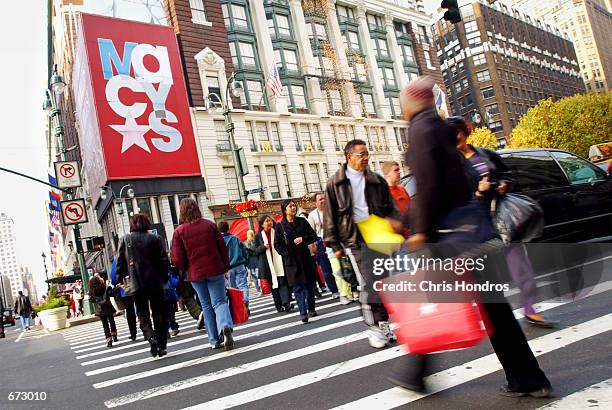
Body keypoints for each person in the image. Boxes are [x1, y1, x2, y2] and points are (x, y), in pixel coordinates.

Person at [389, 76, 552, 398]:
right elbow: (455, 180)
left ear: (410, 102)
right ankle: (529, 378)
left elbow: (428, 183)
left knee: (435, 299)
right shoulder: (439, 127)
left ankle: (416, 371)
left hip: (448, 236)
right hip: (471, 229)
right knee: (492, 307)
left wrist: (419, 229)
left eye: (401, 102)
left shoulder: (420, 130)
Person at [447, 115, 556, 328]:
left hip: (500, 216)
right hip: (475, 223)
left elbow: (508, 175)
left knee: (520, 264)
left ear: (465, 131)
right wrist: (478, 193)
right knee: (484, 273)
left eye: (456, 133)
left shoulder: (486, 154)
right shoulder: (450, 165)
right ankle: (487, 317)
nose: (453, 138)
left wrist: (503, 184)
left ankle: (530, 309)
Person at [323, 139, 400, 348]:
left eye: (367, 154)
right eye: (361, 154)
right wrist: (335, 245)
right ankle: (374, 327)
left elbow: (390, 207)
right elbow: (329, 215)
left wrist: (395, 221)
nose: (366, 158)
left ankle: (383, 323)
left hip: (379, 234)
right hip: (355, 239)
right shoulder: (335, 183)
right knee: (369, 284)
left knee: (384, 282)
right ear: (349, 157)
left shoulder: (376, 180)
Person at [171, 198, 234, 350]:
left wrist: (186, 268)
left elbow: (177, 259)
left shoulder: (179, 231)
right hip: (215, 268)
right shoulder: (210, 225)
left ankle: (214, 340)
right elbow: (222, 249)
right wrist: (225, 267)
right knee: (219, 301)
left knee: (205, 305)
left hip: (195, 273)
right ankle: (225, 325)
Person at [116, 213, 170, 358]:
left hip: (136, 282)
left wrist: (120, 278)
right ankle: (162, 345)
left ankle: (150, 336)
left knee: (142, 313)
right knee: (159, 312)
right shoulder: (155, 238)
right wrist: (164, 277)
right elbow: (164, 260)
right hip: (155, 281)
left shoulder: (126, 239)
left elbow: (120, 261)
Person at [275, 199, 319, 323]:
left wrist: (302, 239)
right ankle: (303, 312)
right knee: (298, 287)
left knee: (309, 285)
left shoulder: (302, 221)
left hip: (305, 257)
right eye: (290, 206)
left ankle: (311, 308)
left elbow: (313, 236)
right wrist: (286, 254)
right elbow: (277, 245)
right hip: (291, 261)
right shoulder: (280, 225)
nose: (293, 208)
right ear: (284, 210)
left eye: (294, 206)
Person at [253, 215, 293, 313]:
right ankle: (278, 305)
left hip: (279, 262)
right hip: (267, 265)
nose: (269, 223)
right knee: (274, 286)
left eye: (270, 221)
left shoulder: (276, 232)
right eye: (267, 221)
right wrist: (263, 247)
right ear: (262, 225)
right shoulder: (258, 236)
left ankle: (286, 303)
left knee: (283, 282)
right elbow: (255, 251)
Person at [307, 192, 341, 300]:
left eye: (324, 198)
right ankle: (334, 290)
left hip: (335, 240)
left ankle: (346, 287)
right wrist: (312, 246)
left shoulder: (333, 210)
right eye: (320, 199)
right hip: (321, 242)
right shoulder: (312, 215)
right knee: (326, 269)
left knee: (340, 266)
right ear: (315, 202)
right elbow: (310, 233)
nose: (323, 201)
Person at [218, 221, 251, 313]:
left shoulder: (219, 241)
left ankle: (238, 307)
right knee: (243, 285)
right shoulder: (235, 238)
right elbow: (244, 251)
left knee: (232, 288)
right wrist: (246, 262)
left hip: (228, 268)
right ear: (228, 228)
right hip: (240, 264)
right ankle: (245, 301)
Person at [109, 255, 138, 341]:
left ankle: (133, 333)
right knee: (142, 307)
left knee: (130, 311)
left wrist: (118, 282)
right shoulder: (134, 250)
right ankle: (147, 330)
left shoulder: (117, 257)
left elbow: (113, 277)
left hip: (126, 289)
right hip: (138, 286)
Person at [88, 274, 117, 348]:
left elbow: (91, 300)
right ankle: (114, 335)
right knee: (111, 321)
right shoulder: (105, 287)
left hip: (100, 310)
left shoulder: (91, 291)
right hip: (108, 307)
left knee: (105, 325)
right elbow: (111, 294)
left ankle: (109, 340)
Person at [244, 230, 262, 297]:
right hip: (257, 261)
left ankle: (258, 291)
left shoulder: (246, 243)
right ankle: (261, 289)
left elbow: (246, 253)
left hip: (250, 263)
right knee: (258, 276)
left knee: (255, 278)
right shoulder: (255, 241)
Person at [164, 269, 181, 338]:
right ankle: (174, 327)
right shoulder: (167, 271)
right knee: (171, 313)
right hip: (169, 294)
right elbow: (175, 282)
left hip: (159, 295)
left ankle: (166, 330)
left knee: (163, 314)